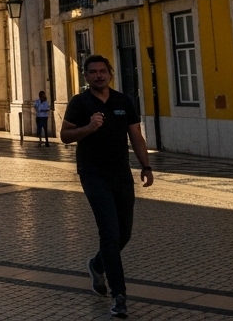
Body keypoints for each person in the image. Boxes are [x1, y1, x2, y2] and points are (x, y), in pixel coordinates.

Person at [61, 55, 154, 320]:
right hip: (93, 174)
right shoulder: (79, 103)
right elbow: (65, 136)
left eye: (103, 71)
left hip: (121, 174)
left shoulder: (123, 101)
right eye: (93, 72)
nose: (99, 75)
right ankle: (119, 295)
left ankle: (96, 264)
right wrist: (88, 128)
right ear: (86, 76)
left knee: (124, 234)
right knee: (110, 234)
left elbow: (136, 135)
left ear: (110, 74)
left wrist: (146, 166)